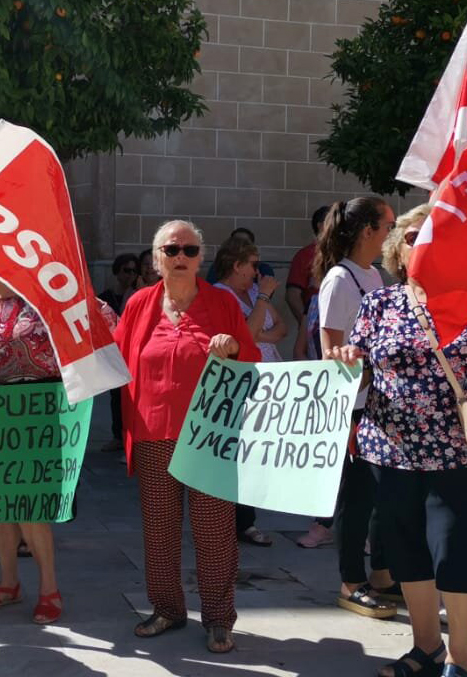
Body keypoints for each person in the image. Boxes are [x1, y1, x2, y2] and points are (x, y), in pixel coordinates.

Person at [327, 226, 467, 677]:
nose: (425, 243)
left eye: (436, 235)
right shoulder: (379, 304)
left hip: (463, 452)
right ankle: (426, 649)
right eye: (414, 235)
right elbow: (364, 367)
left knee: (456, 549)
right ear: (398, 252)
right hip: (391, 451)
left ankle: (462, 661)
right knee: (405, 547)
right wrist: (350, 358)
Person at [0, 272, 117, 625]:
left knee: (31, 504)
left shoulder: (52, 296)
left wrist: (71, 285)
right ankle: (8, 583)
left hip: (39, 411)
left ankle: (49, 590)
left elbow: (108, 322)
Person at [113, 219, 260, 655]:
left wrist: (232, 349)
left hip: (209, 435)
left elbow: (250, 360)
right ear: (156, 258)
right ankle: (167, 609)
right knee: (159, 529)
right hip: (153, 433)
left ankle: (218, 619)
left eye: (190, 251)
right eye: (171, 249)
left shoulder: (221, 303)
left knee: (214, 530)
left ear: (201, 259)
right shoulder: (139, 304)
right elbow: (113, 358)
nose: (181, 257)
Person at [300, 197, 398, 609]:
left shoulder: (374, 274)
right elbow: (330, 352)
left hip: (377, 403)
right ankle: (350, 580)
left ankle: (380, 573)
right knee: (355, 498)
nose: (392, 233)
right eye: (388, 225)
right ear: (367, 231)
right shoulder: (340, 279)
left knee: (380, 497)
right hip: (352, 407)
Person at [211, 236, 287, 547]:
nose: (258, 272)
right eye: (253, 265)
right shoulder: (221, 295)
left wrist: (259, 334)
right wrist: (263, 302)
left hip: (265, 381)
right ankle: (238, 521)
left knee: (253, 453)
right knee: (236, 454)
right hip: (239, 381)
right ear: (237, 265)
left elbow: (280, 328)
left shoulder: (255, 293)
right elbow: (244, 335)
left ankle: (244, 519)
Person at [98, 253, 141, 452]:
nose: (130, 275)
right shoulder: (106, 297)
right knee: (116, 394)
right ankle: (118, 435)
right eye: (126, 270)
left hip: (133, 351)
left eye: (134, 270)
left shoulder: (137, 295)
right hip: (113, 351)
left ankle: (130, 435)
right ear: (117, 272)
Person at [287, 205, 331, 360]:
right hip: (316, 323)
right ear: (320, 226)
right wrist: (307, 327)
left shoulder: (347, 255)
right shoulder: (305, 255)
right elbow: (293, 295)